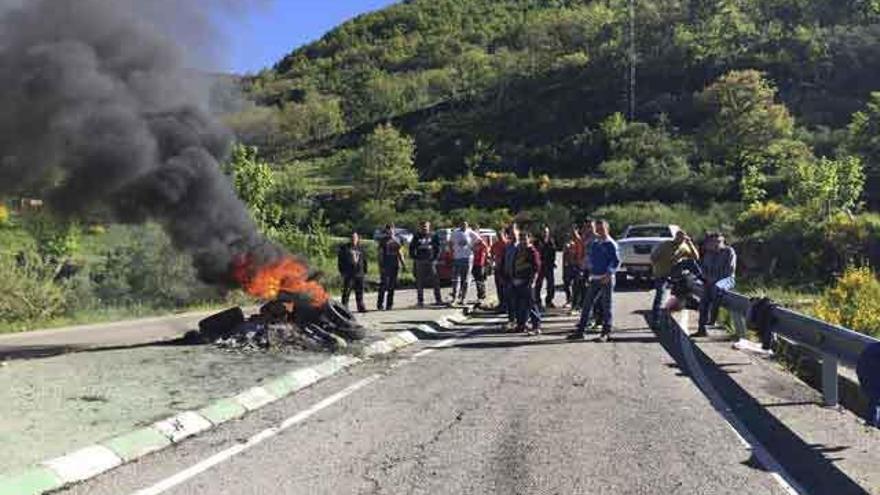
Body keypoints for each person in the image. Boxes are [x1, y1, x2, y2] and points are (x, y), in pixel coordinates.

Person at [572, 220, 620, 342]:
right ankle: (580, 331)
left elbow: (615, 261)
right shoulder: (595, 243)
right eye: (597, 229)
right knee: (587, 305)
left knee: (606, 306)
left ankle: (606, 333)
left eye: (601, 229)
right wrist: (585, 266)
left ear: (607, 229)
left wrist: (609, 274)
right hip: (594, 278)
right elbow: (591, 258)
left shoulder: (611, 244)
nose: (599, 232)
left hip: (606, 279)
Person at [650, 230, 700, 328]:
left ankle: (700, 279)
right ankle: (656, 320)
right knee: (660, 295)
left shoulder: (684, 246)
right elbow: (653, 258)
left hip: (674, 272)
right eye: (678, 238)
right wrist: (666, 260)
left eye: (683, 238)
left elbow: (696, 257)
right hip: (662, 273)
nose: (680, 240)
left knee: (690, 263)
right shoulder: (665, 245)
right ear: (675, 237)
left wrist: (690, 244)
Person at [696, 232, 736, 336]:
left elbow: (729, 270)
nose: (716, 244)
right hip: (710, 281)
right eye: (713, 242)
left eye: (718, 242)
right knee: (704, 300)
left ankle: (712, 320)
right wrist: (707, 278)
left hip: (726, 280)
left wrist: (715, 280)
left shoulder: (728, 252)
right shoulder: (708, 254)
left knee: (716, 290)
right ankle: (701, 329)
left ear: (723, 242)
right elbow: (703, 269)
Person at [505, 228, 542, 335]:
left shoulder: (532, 251)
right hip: (516, 280)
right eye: (521, 239)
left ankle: (536, 326)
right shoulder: (519, 250)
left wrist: (532, 281)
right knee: (518, 304)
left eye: (525, 239)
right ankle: (521, 325)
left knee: (530, 304)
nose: (522, 241)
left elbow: (536, 267)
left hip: (527, 282)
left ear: (529, 239)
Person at [409, 221, 442, 307]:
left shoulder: (434, 235)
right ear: (420, 227)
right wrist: (415, 258)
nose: (424, 228)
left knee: (435, 281)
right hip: (420, 261)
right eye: (423, 226)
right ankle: (420, 301)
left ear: (429, 227)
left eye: (426, 226)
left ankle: (438, 299)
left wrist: (435, 258)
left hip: (431, 260)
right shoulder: (416, 236)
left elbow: (438, 247)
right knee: (420, 282)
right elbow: (411, 248)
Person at [450, 220, 480, 305]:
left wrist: (473, 247)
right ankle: (455, 298)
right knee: (456, 279)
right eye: (462, 224)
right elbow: (450, 242)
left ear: (467, 225)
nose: (464, 226)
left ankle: (463, 298)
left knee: (465, 279)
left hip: (467, 258)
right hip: (457, 257)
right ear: (459, 225)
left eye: (465, 225)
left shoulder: (470, 232)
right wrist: (452, 252)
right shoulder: (455, 232)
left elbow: (479, 241)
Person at [337, 231, 368, 313]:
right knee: (346, 291)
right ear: (350, 238)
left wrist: (365, 271)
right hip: (349, 274)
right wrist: (342, 272)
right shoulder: (344, 248)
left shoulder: (361, 249)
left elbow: (364, 261)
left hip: (359, 273)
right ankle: (344, 307)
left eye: (355, 237)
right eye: (352, 237)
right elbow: (340, 261)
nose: (354, 239)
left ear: (358, 239)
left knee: (360, 291)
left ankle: (360, 306)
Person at [377, 223, 405, 311]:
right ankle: (380, 304)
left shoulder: (398, 239)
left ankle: (389, 304)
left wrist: (403, 264)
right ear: (386, 230)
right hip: (385, 265)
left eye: (392, 229)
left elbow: (400, 252)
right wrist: (380, 265)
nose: (390, 231)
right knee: (384, 285)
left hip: (395, 265)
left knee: (392, 286)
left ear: (394, 230)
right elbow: (380, 254)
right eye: (388, 230)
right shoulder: (383, 241)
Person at [534, 225, 558, 309]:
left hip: (549, 265)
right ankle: (537, 301)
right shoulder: (537, 242)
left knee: (551, 284)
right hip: (540, 266)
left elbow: (553, 252)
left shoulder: (551, 241)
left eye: (546, 232)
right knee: (538, 284)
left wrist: (553, 262)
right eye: (544, 232)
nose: (545, 234)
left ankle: (549, 300)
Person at [562, 225, 584, 310]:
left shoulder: (580, 240)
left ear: (577, 230)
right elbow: (564, 254)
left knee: (576, 286)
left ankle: (576, 304)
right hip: (569, 265)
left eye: (573, 231)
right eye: (570, 231)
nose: (572, 233)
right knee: (566, 284)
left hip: (577, 265)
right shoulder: (568, 241)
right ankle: (569, 300)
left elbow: (582, 253)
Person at [491, 228, 511, 313]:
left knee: (505, 287)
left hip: (506, 268)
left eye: (500, 235)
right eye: (498, 235)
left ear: (504, 235)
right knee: (499, 287)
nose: (499, 237)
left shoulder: (507, 244)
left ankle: (507, 305)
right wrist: (492, 261)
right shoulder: (495, 244)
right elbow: (491, 253)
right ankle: (501, 303)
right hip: (498, 268)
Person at [471, 227, 489, 305]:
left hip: (480, 263)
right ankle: (480, 294)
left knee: (480, 279)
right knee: (477, 280)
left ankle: (482, 295)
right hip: (473, 262)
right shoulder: (473, 242)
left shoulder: (481, 241)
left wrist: (486, 258)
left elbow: (486, 248)